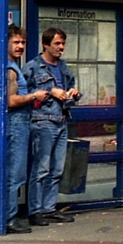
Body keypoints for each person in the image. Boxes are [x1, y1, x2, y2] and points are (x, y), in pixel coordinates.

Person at [0, 26, 48, 234]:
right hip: (15, 123)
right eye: (16, 42)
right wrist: (34, 96)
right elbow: (10, 101)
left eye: (23, 42)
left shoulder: (7, 65)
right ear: (6, 44)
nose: (20, 46)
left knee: (3, 172)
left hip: (12, 122)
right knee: (14, 174)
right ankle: (8, 219)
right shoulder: (10, 69)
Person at [26, 28, 81, 226]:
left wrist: (73, 93)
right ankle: (35, 211)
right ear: (46, 45)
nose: (61, 47)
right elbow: (25, 93)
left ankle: (49, 208)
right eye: (57, 43)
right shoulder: (33, 66)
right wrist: (50, 91)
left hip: (62, 119)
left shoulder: (63, 67)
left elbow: (71, 87)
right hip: (43, 121)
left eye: (63, 43)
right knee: (41, 168)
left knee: (57, 169)